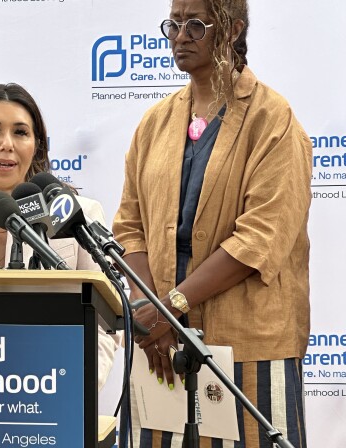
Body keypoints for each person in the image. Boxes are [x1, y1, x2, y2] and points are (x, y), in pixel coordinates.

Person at [112, 0, 311, 446]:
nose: (180, 35)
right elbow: (129, 227)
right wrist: (150, 315)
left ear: (233, 28)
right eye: (175, 23)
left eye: (196, 24)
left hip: (247, 347)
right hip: (160, 345)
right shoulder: (155, 121)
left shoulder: (272, 118)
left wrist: (172, 307)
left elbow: (259, 240)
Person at [0, 83, 120, 390]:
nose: (6, 144)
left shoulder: (77, 215)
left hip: (54, 390)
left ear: (37, 146)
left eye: (20, 132)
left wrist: (76, 389)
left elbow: (106, 322)